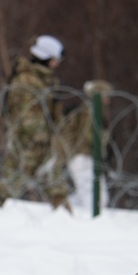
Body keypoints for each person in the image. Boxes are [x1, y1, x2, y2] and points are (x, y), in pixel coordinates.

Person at [0, 35, 70, 211]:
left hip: (40, 142)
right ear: (46, 57)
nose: (57, 63)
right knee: (10, 184)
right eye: (55, 59)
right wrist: (41, 136)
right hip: (27, 143)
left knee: (56, 186)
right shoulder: (28, 80)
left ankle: (65, 221)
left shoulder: (44, 80)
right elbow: (27, 116)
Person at [56, 80, 113, 212]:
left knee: (92, 195)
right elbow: (90, 136)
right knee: (93, 198)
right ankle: (67, 213)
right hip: (82, 157)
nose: (109, 100)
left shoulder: (89, 109)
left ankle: (66, 210)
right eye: (106, 96)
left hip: (84, 156)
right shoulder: (90, 111)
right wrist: (105, 138)